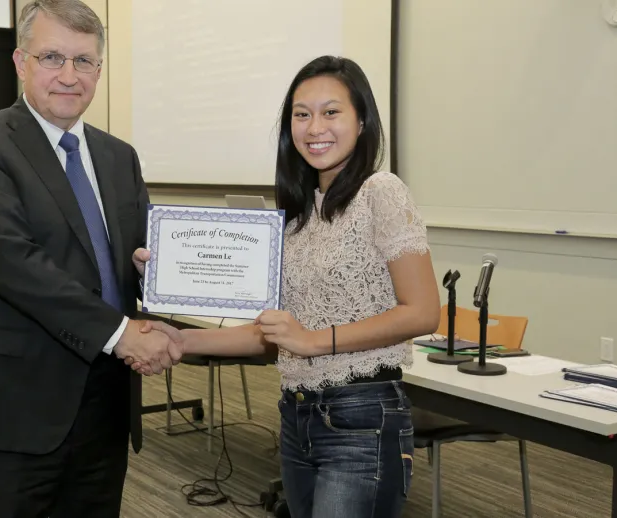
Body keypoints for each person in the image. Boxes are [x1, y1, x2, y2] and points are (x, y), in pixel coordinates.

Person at [131, 56, 440, 517]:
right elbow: (275, 334)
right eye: (301, 114)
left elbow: (421, 312)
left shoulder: (382, 191)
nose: (315, 127)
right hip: (297, 417)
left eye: (331, 112)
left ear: (362, 120)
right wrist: (180, 336)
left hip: (361, 417)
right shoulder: (297, 215)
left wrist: (313, 341)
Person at [0, 1, 182, 517]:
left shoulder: (119, 156)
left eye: (83, 61)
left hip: (105, 399)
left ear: (99, 71)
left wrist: (159, 269)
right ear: (21, 62)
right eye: (52, 58)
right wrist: (121, 333)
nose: (69, 75)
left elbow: (137, 253)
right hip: (13, 403)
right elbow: (11, 263)